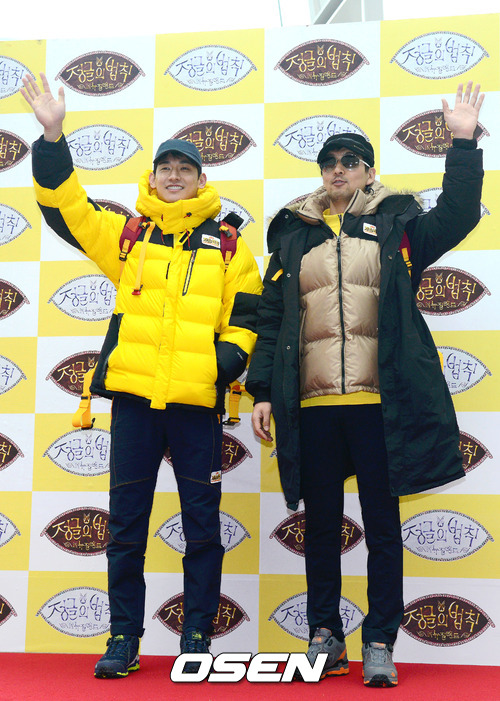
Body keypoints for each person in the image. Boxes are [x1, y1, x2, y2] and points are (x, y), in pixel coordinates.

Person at [21, 73, 262, 679]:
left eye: (186, 169)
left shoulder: (230, 247)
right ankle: (124, 637)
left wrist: (217, 368)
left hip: (196, 407)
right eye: (166, 168)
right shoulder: (129, 238)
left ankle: (197, 637)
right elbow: (68, 210)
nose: (174, 176)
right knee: (126, 529)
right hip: (133, 404)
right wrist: (52, 138)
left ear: (202, 180)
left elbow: (248, 320)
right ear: (152, 178)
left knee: (202, 530)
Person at [246, 82, 484, 688]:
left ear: (369, 171)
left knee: (380, 526)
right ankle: (324, 635)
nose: (338, 170)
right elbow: (271, 319)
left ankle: (379, 639)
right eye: (328, 162)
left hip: (382, 405)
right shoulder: (292, 232)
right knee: (322, 527)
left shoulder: (399, 223)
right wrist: (262, 390)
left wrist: (462, 142)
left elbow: (458, 213)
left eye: (350, 161)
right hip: (315, 406)